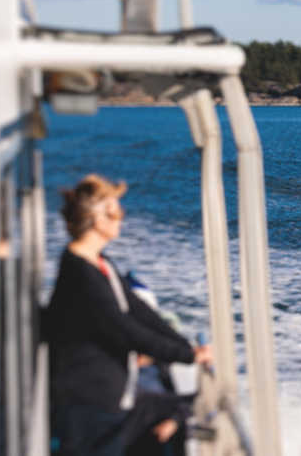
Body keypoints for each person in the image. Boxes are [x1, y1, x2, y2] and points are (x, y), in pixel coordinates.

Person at [45, 174, 212, 456]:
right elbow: (124, 329)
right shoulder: (79, 273)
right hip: (89, 403)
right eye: (117, 211)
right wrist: (188, 356)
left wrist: (186, 347)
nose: (122, 218)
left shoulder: (99, 263)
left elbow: (140, 311)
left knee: (174, 411)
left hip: (109, 395)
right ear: (98, 220)